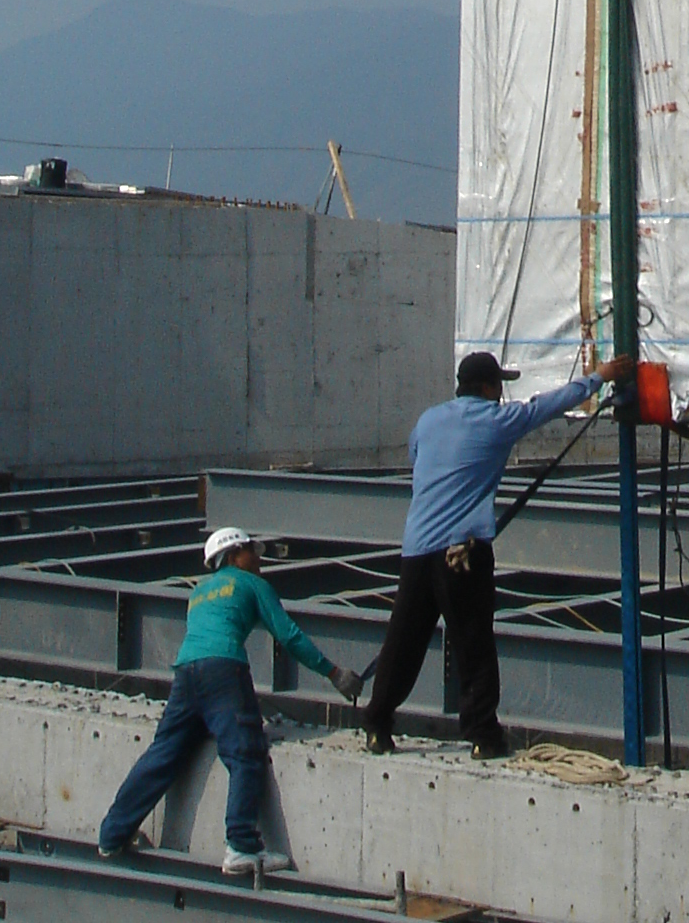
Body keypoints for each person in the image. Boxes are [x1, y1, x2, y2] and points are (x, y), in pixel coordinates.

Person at [361, 347, 631, 759]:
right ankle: (483, 737)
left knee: (403, 642)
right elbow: (549, 405)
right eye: (499, 386)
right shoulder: (498, 420)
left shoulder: (428, 420)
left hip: (416, 549)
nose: (501, 394)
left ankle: (377, 726)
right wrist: (600, 376)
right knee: (473, 644)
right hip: (462, 552)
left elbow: (418, 461)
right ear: (488, 387)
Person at [98, 526, 360, 875]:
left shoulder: (199, 593)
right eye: (253, 550)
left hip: (186, 673)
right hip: (224, 670)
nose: (259, 557)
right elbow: (288, 635)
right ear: (234, 555)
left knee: (163, 753)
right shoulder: (252, 584)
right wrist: (333, 673)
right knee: (244, 752)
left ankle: (112, 835)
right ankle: (241, 847)